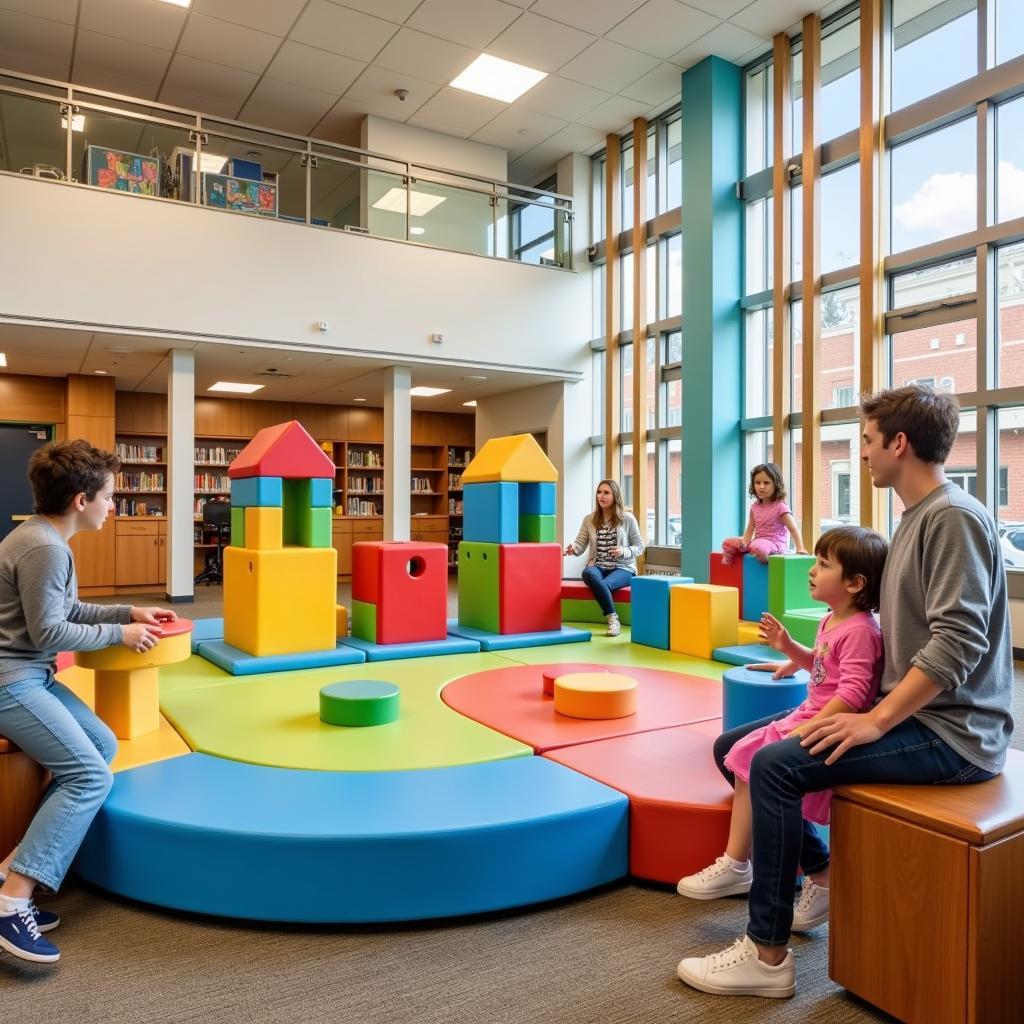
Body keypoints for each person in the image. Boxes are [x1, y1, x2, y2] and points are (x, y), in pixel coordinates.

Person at [676, 384, 1013, 999]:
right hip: (918, 717)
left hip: (954, 735)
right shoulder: (918, 518)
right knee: (736, 746)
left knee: (775, 768)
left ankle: (767, 955)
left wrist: (876, 720)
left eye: (866, 440)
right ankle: (821, 877)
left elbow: (957, 644)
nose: (862, 452)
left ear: (899, 443)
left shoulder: (953, 519)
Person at [0, 440, 177, 965]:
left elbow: (67, 606)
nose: (114, 505)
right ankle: (13, 903)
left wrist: (128, 612)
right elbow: (51, 626)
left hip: (32, 672)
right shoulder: (46, 548)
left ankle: (13, 866)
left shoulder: (44, 538)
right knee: (90, 776)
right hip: (11, 679)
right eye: (110, 496)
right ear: (81, 499)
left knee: (100, 742)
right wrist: (120, 635)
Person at [676, 526, 888, 941]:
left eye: (824, 565)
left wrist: (812, 726)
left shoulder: (862, 630)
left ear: (855, 583)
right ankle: (811, 871)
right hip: (811, 710)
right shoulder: (833, 619)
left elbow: (856, 691)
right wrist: (790, 649)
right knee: (735, 753)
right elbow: (824, 668)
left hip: (823, 719)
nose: (812, 570)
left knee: (753, 761)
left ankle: (738, 863)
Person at [564, 479, 644, 637]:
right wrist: (574, 549)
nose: (601, 496)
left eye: (606, 493)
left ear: (615, 496)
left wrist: (623, 550)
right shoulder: (589, 519)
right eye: (599, 492)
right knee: (588, 573)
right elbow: (581, 543)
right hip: (598, 564)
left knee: (604, 585)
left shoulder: (627, 518)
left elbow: (640, 546)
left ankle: (612, 619)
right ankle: (613, 618)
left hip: (623, 568)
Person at [721, 463, 807, 566]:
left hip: (775, 545)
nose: (761, 487)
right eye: (757, 482)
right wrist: (744, 542)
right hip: (757, 542)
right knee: (728, 542)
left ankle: (768, 564)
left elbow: (793, 528)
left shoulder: (780, 507)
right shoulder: (755, 507)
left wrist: (800, 548)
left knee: (760, 548)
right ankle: (731, 563)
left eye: (766, 483)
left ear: (776, 484)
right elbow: (750, 528)